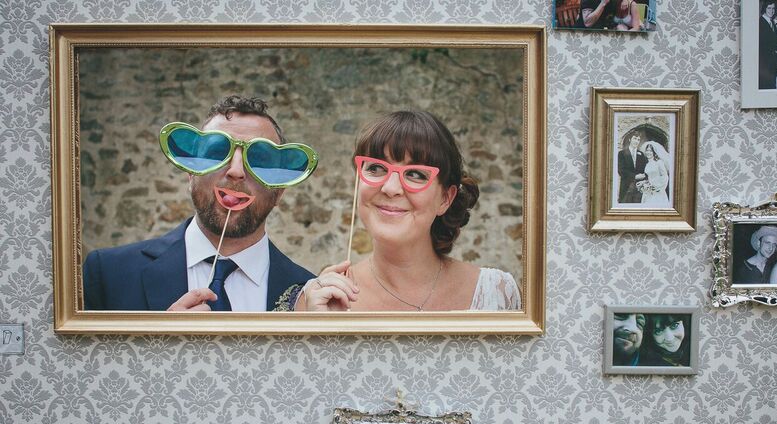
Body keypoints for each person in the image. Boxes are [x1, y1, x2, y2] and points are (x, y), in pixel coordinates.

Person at [82, 95, 314, 311]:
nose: (236, 171)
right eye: (217, 153)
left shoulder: (305, 294)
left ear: (280, 191)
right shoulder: (109, 273)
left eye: (259, 160)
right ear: (191, 174)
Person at [293, 110, 521, 312]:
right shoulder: (317, 301)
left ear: (445, 198)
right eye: (375, 168)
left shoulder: (498, 294)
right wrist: (320, 332)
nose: (390, 188)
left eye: (415, 174)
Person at [617, 131, 647, 204]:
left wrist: (643, 176)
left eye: (638, 139)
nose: (636, 141)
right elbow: (621, 170)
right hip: (626, 187)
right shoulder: (622, 153)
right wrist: (635, 176)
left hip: (638, 188)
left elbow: (645, 169)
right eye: (635, 138)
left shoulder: (641, 154)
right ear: (630, 139)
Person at [637, 141, 670, 207]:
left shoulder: (659, 162)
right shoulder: (647, 164)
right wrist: (643, 182)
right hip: (647, 191)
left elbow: (665, 176)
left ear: (654, 152)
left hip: (657, 190)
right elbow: (649, 177)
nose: (648, 153)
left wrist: (656, 186)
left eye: (650, 151)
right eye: (647, 151)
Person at [760, 2, 777, 89]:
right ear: (764, 9)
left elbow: (772, 37)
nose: (772, 11)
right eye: (769, 8)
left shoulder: (771, 22)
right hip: (765, 65)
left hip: (772, 64)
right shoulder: (760, 23)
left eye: (773, 8)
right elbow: (763, 44)